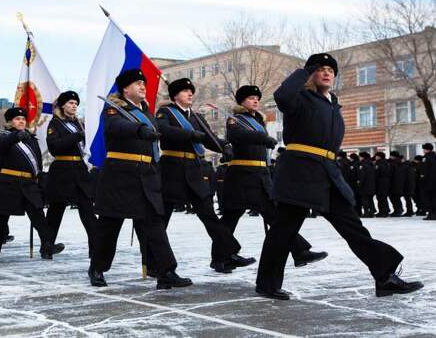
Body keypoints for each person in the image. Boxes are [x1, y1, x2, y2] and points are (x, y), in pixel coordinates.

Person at [256, 53, 423, 300]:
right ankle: (267, 284)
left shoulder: (333, 103)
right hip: (300, 173)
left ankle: (384, 277)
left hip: (327, 173)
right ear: (311, 73)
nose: (326, 73)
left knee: (353, 227)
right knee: (284, 229)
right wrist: (303, 71)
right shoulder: (300, 98)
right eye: (320, 69)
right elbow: (281, 96)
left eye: (331, 70)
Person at [89, 69, 192, 290]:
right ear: (126, 89)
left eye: (144, 83)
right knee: (110, 225)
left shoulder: (146, 110)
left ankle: (165, 271)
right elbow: (116, 127)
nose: (143, 87)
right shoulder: (114, 109)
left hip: (146, 174)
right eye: (138, 83)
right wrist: (139, 129)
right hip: (120, 174)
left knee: (154, 225)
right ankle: (97, 268)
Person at [223, 85, 327, 270]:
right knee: (241, 216)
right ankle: (299, 251)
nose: (255, 101)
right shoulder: (235, 120)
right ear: (242, 102)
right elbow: (237, 135)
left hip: (260, 174)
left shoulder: (257, 120)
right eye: (250, 98)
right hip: (242, 175)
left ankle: (221, 256)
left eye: (257, 98)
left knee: (260, 215)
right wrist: (263, 138)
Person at [155, 77, 243, 274]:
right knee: (162, 219)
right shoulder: (166, 112)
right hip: (172, 168)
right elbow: (164, 131)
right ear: (175, 95)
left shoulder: (196, 117)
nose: (190, 94)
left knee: (208, 214)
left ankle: (228, 252)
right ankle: (155, 262)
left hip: (193, 170)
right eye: (185, 91)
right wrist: (191, 135)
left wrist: (224, 147)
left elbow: (209, 138)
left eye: (191, 91)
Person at [0, 107, 62, 264]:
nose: (21, 121)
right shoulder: (1, 137)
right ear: (10, 122)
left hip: (28, 184)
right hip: (8, 183)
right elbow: (2, 146)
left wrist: (41, 185)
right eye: (17, 119)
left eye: (23, 119)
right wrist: (15, 136)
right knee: (0, 219)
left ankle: (47, 245)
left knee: (39, 217)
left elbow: (38, 164)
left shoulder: (31, 139)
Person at [45, 91, 96, 257]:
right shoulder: (55, 124)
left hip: (79, 169)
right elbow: (55, 147)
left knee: (87, 209)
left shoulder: (79, 124)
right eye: (70, 103)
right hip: (62, 169)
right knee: (56, 210)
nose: (74, 106)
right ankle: (47, 246)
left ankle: (95, 248)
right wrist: (76, 136)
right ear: (62, 105)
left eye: (76, 103)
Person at [357, 152, 376, 218]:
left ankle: (366, 212)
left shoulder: (363, 164)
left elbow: (362, 176)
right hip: (371, 185)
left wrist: (359, 183)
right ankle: (372, 212)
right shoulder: (371, 164)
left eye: (360, 156)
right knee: (370, 199)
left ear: (362, 157)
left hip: (365, 185)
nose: (359, 158)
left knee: (365, 199)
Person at [374, 152, 391, 217]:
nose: (375, 157)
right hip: (385, 182)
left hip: (381, 183)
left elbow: (377, 173)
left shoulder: (379, 163)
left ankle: (383, 212)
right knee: (383, 198)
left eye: (376, 156)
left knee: (381, 198)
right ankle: (383, 211)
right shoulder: (386, 163)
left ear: (379, 157)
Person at [421, 143, 436, 220]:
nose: (423, 150)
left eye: (424, 149)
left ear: (427, 149)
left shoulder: (426, 157)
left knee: (429, 198)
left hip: (428, 181)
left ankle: (431, 214)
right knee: (434, 197)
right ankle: (433, 214)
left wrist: (422, 177)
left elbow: (424, 169)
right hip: (434, 181)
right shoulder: (434, 156)